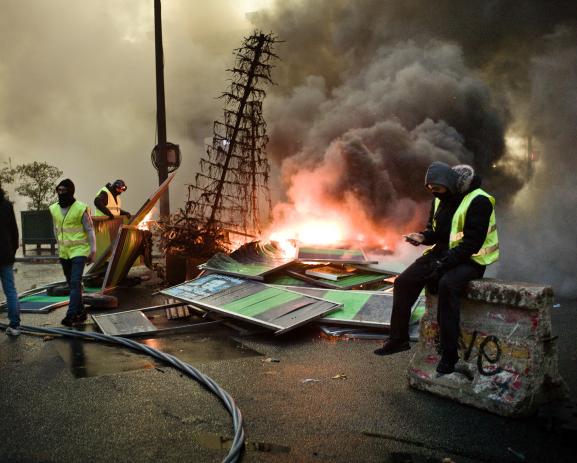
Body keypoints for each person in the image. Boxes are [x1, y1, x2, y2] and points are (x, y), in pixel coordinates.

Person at [374, 161, 499, 374]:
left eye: (438, 189)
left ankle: (449, 354)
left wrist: (442, 265)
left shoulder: (480, 200)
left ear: (450, 184)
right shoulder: (439, 200)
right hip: (442, 254)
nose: (435, 194)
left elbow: (472, 243)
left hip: (471, 260)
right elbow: (437, 233)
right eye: (431, 190)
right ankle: (398, 339)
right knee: (403, 283)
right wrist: (422, 236)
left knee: (447, 286)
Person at [49, 179, 96, 327]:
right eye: (59, 190)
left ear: (71, 191)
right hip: (64, 252)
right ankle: (81, 311)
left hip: (79, 251)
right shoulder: (54, 209)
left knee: (75, 282)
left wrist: (93, 250)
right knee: (72, 284)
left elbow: (89, 229)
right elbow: (56, 229)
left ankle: (70, 315)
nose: (61, 193)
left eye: (64, 190)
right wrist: (59, 247)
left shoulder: (81, 208)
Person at [0, 188, 21, 336]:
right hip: (5, 254)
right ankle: (14, 326)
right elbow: (14, 232)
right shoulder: (7, 205)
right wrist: (12, 252)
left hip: (6, 253)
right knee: (10, 291)